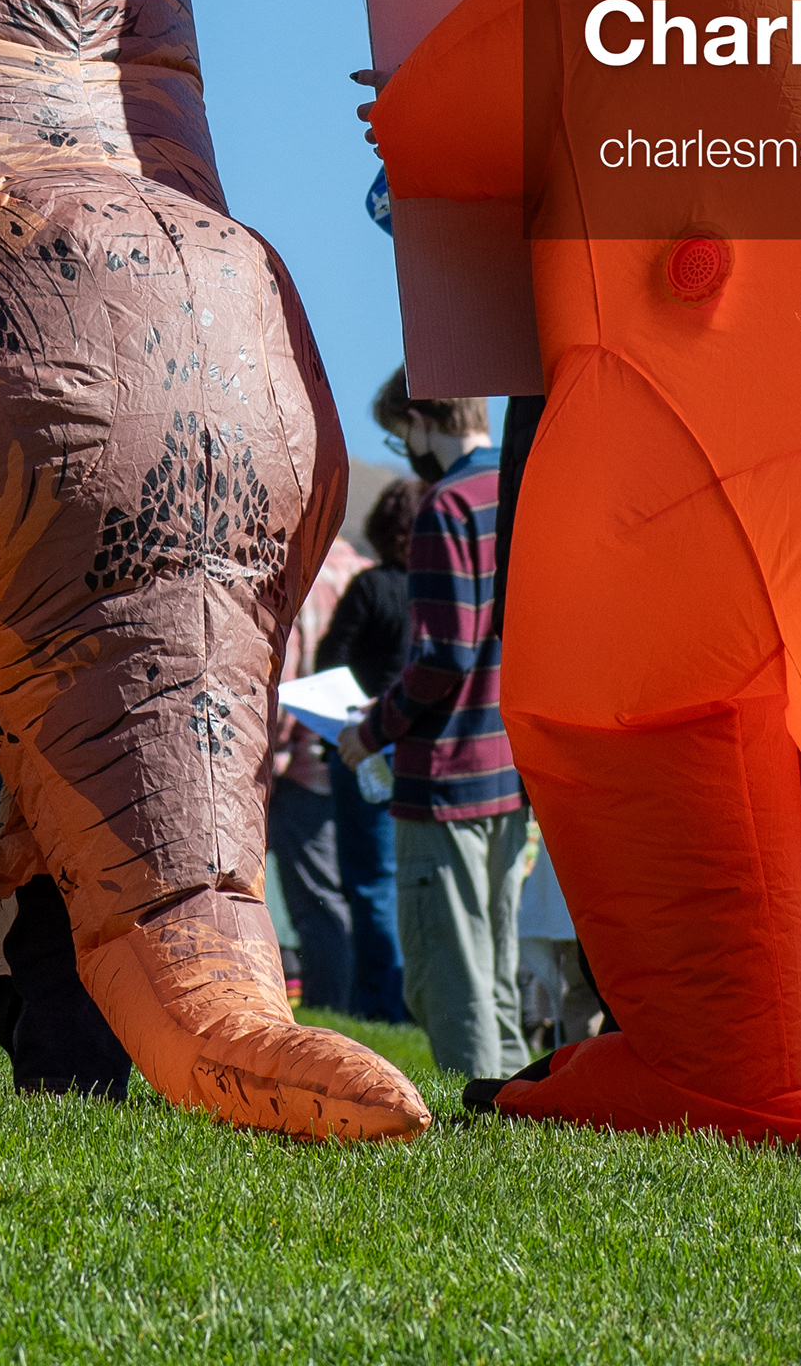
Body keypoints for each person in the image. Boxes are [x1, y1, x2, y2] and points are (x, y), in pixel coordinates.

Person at [330, 374, 530, 1083]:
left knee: (449, 980)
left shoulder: (445, 506)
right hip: (509, 767)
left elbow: (444, 652)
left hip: (443, 777)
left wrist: (370, 731)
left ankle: (483, 1137)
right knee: (498, 972)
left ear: (421, 421)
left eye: (397, 434)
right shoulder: (515, 483)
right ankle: (516, 1117)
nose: (403, 449)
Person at [314, 474, 419, 1023]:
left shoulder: (371, 589)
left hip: (365, 746)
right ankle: (409, 998)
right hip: (422, 749)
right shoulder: (439, 592)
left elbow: (331, 659)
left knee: (370, 879)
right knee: (411, 879)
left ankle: (380, 1006)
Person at [267, 512, 368, 1008]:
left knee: (315, 902)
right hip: (356, 754)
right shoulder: (356, 567)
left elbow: (283, 677)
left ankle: (331, 1008)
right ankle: (357, 1002)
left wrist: (271, 755)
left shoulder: (297, 572)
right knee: (349, 891)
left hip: (302, 762)